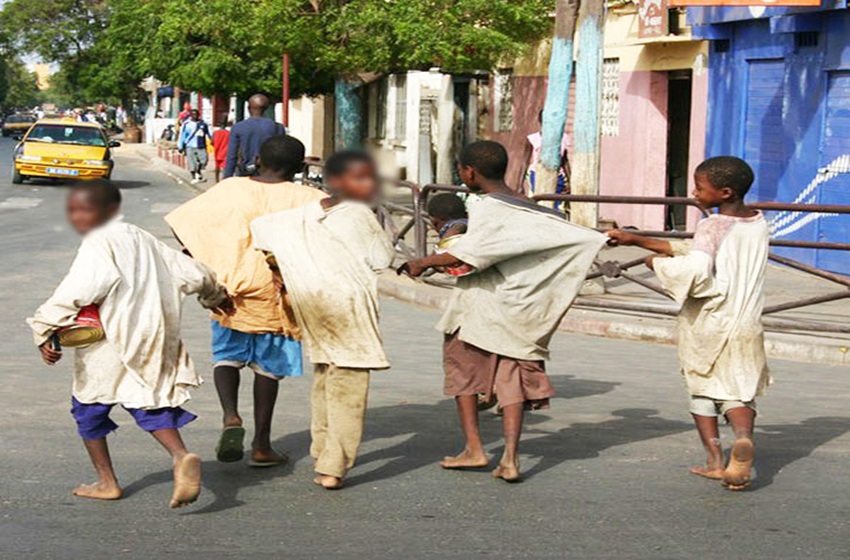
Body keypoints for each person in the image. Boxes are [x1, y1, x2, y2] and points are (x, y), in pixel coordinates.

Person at [399, 141, 605, 482]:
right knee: (512, 383)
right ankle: (509, 458)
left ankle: (474, 449)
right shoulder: (533, 207)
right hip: (520, 310)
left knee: (464, 375)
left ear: (469, 172)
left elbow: (470, 255)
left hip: (479, 305)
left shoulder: (488, 209)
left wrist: (422, 262)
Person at [27, 180, 232, 508]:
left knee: (89, 409)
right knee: (148, 402)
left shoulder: (98, 243)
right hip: (153, 337)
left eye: (83, 209)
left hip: (110, 341)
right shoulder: (143, 238)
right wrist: (216, 297)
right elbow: (194, 273)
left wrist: (44, 328)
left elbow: (79, 290)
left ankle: (107, 482)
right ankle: (180, 456)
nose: (77, 216)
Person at [607, 156, 771, 491]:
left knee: (702, 388)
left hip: (710, 320)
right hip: (746, 322)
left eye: (700, 188)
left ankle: (715, 460)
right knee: (738, 389)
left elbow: (696, 268)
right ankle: (743, 439)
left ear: (724, 192)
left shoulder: (712, 225)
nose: (694, 194)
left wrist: (656, 264)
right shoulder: (758, 223)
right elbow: (704, 251)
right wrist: (636, 239)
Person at [165, 136, 326, 468]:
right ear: (298, 168)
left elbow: (185, 226)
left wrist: (209, 258)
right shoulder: (311, 198)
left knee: (227, 356)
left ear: (257, 158)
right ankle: (262, 444)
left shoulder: (230, 188)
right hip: (280, 294)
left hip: (232, 290)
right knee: (268, 369)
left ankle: (230, 416)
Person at [251, 150, 395, 490]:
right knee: (348, 384)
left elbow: (260, 231)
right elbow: (382, 257)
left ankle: (321, 449)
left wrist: (277, 267)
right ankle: (333, 465)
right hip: (347, 307)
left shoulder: (298, 216)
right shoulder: (359, 214)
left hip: (311, 305)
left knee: (325, 375)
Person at [223, 94, 286, 178]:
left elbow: (232, 155)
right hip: (270, 173)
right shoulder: (278, 127)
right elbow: (282, 153)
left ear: (248, 108)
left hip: (247, 172)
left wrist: (227, 176)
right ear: (266, 108)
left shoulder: (238, 127)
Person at [523, 110, 571, 198]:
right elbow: (524, 162)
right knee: (542, 200)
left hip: (558, 177)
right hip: (537, 175)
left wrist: (570, 182)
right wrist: (520, 184)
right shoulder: (533, 139)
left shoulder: (563, 138)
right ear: (541, 121)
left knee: (557, 205)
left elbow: (565, 162)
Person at [177, 109, 213, 184]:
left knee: (204, 160)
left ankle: (198, 171)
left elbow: (209, 133)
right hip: (190, 145)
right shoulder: (187, 124)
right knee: (192, 163)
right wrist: (180, 146)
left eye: (196, 114)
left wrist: (212, 140)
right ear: (190, 115)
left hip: (201, 145)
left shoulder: (203, 124)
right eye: (192, 114)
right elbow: (182, 135)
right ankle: (194, 177)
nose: (194, 116)